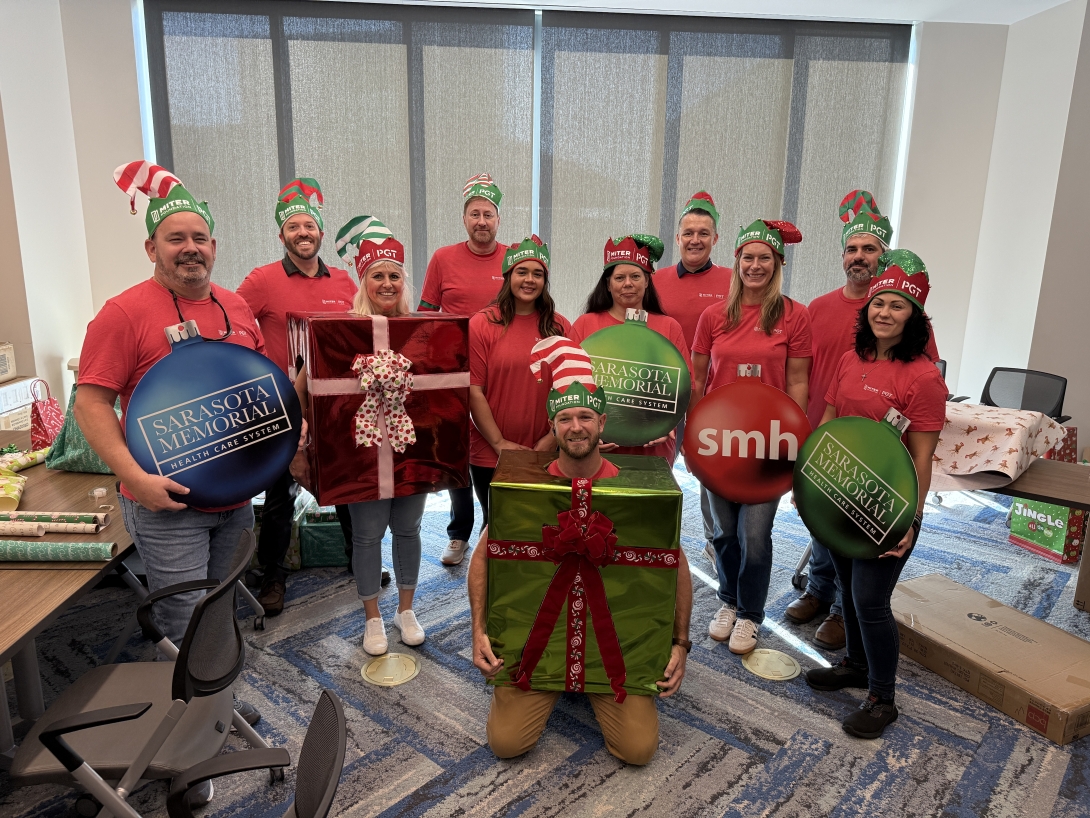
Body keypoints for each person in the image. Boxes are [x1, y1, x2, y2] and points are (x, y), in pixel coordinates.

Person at [77, 161, 264, 735]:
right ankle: (194, 738)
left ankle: (217, 699)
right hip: (166, 503)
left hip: (232, 497)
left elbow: (256, 390)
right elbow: (90, 403)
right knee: (184, 618)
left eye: (199, 238)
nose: (190, 249)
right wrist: (134, 480)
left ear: (215, 245)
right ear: (151, 247)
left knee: (221, 607)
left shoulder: (236, 307)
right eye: (175, 239)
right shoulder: (123, 313)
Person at [467, 338, 692, 764]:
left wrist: (681, 643)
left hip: (617, 649)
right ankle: (556, 681)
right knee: (507, 744)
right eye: (565, 418)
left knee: (638, 751)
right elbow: (483, 556)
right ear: (552, 426)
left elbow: (673, 563)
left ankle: (592, 681)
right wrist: (478, 629)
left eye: (585, 416)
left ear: (603, 422)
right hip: (539, 644)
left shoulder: (638, 494)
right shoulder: (524, 489)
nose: (575, 427)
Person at [787, 191, 939, 651]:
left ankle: (840, 613)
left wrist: (911, 513)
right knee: (825, 523)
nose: (859, 257)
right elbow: (803, 369)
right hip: (829, 431)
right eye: (852, 249)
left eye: (868, 249)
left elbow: (921, 391)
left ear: (882, 256)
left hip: (878, 449)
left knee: (860, 531)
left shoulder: (908, 326)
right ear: (842, 256)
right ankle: (819, 591)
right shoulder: (818, 308)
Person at [805, 250, 946, 740]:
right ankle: (856, 666)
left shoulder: (924, 377)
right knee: (846, 588)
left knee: (869, 601)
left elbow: (922, 458)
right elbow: (827, 427)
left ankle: (883, 698)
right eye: (878, 303)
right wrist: (812, 487)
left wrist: (910, 521)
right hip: (841, 491)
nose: (884, 312)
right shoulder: (850, 358)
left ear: (915, 318)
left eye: (898, 306)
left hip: (890, 504)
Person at [291, 220, 428, 656]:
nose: (387, 283)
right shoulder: (338, 330)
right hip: (359, 451)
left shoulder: (422, 329)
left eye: (394, 275)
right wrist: (302, 429)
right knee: (368, 534)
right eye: (378, 275)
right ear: (363, 281)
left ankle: (406, 610)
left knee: (408, 528)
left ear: (403, 281)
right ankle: (372, 617)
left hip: (411, 447)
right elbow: (302, 383)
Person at [690, 219, 811, 655]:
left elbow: (798, 384)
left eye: (764, 258)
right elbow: (698, 380)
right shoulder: (713, 317)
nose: (754, 266)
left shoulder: (794, 316)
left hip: (769, 444)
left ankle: (751, 614)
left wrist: (795, 442)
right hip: (719, 443)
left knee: (755, 537)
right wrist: (693, 438)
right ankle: (728, 600)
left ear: (778, 263)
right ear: (736, 261)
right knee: (723, 532)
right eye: (748, 257)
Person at [236, 178, 356, 617]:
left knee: (344, 484)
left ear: (321, 233)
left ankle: (358, 557)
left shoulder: (343, 281)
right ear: (282, 235)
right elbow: (233, 324)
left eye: (310, 226)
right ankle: (273, 574)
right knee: (279, 491)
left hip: (334, 404)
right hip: (280, 405)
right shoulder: (262, 280)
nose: (303, 233)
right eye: (294, 227)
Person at [418, 173, 508, 567]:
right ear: (464, 218)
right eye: (475, 214)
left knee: (491, 449)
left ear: (498, 220)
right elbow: (424, 316)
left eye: (488, 214)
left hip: (501, 373)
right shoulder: (443, 258)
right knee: (456, 453)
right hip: (452, 374)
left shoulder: (512, 258)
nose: (482, 221)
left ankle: (496, 529)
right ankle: (459, 532)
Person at [654, 191, 732, 569]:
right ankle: (651, 532)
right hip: (662, 391)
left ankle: (714, 540)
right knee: (657, 462)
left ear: (716, 239)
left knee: (709, 470)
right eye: (688, 232)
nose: (695, 239)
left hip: (712, 393)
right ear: (678, 236)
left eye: (704, 232)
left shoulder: (733, 281)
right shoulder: (656, 280)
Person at [468, 235, 570, 520]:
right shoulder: (482, 324)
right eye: (521, 272)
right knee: (497, 526)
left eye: (537, 274)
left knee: (543, 524)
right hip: (490, 451)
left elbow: (569, 391)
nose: (529, 280)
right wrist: (500, 443)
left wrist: (551, 438)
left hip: (546, 447)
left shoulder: (560, 327)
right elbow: (474, 390)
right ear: (507, 276)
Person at [570, 234, 691, 462]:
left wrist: (669, 426)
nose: (628, 284)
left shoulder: (669, 327)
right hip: (595, 450)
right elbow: (567, 385)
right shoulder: (586, 325)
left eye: (636, 276)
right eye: (619, 277)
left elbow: (684, 388)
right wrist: (588, 433)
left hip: (655, 452)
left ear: (647, 281)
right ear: (608, 283)